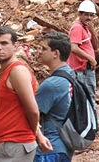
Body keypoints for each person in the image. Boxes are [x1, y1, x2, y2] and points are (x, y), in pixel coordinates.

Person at [0, 26, 46, 162]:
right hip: (9, 143)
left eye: (4, 43)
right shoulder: (9, 70)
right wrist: (38, 134)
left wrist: (33, 134)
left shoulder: (17, 71)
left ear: (16, 46)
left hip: (16, 143)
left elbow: (33, 110)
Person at [35, 32, 76, 162]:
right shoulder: (73, 76)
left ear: (56, 53)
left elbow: (32, 114)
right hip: (66, 146)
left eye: (44, 48)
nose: (39, 52)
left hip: (49, 149)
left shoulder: (51, 85)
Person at [67, 0, 99, 100]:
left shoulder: (85, 27)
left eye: (91, 15)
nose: (89, 18)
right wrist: (90, 58)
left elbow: (96, 47)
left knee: (90, 96)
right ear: (80, 14)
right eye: (86, 15)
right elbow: (73, 48)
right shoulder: (77, 28)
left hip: (86, 68)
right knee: (83, 98)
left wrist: (92, 31)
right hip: (79, 70)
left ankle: (90, 114)